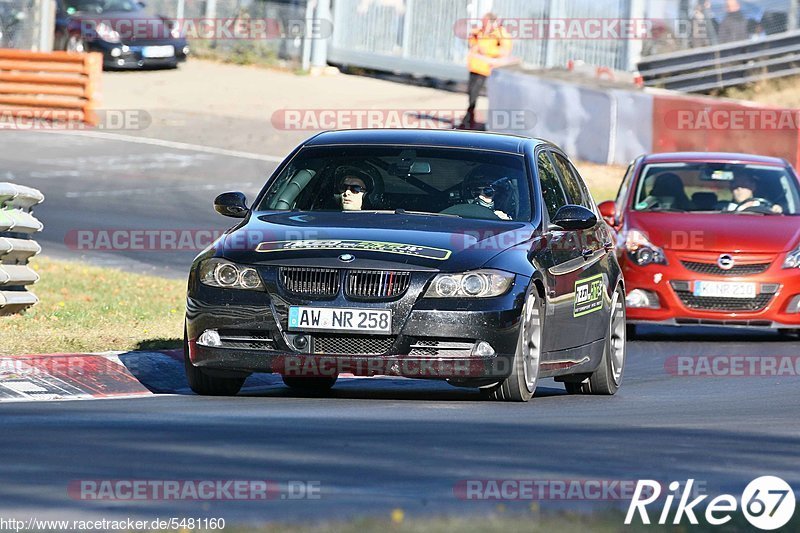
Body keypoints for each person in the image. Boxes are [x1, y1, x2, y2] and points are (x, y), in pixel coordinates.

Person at [458, 13, 512, 130]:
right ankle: (469, 118)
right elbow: (472, 44)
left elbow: (504, 51)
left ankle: (473, 120)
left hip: (488, 69)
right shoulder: (479, 32)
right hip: (475, 67)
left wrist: (486, 50)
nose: (483, 24)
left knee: (486, 96)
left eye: (485, 22)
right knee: (471, 93)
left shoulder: (500, 33)